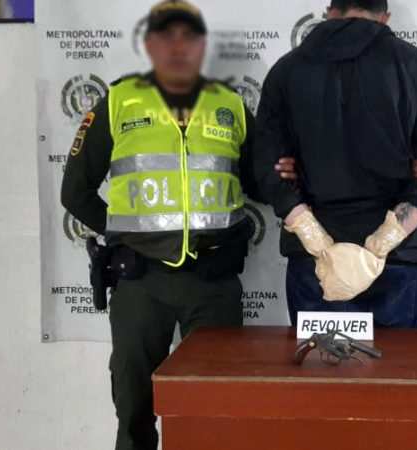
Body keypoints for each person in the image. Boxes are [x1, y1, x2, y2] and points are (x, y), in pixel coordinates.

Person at [60, 1, 260, 449]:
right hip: (141, 282)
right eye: (166, 37)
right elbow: (75, 191)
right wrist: (124, 233)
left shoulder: (231, 105)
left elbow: (260, 183)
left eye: (188, 37)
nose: (178, 47)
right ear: (149, 45)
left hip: (213, 283)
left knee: (218, 412)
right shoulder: (117, 103)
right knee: (134, 407)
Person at [254, 0, 417, 328]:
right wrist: (381, 244)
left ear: (330, 12)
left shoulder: (286, 71)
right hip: (397, 257)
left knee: (321, 361)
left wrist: (319, 243)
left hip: (314, 262)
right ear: (385, 17)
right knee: (396, 363)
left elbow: (270, 167)